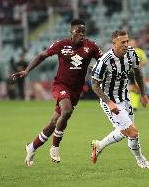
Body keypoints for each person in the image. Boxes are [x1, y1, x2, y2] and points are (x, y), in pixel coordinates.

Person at [12, 19, 103, 166]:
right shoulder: (61, 44)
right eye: (78, 31)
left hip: (75, 91)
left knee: (54, 122)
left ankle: (32, 147)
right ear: (71, 32)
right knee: (66, 111)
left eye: (83, 32)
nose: (81, 34)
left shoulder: (91, 46)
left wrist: (97, 68)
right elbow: (42, 56)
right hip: (60, 85)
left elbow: (103, 60)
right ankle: (55, 146)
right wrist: (27, 70)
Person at [91, 30, 149, 169]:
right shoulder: (104, 61)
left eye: (127, 41)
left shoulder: (132, 53)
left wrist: (143, 94)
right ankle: (141, 160)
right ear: (114, 43)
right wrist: (109, 102)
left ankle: (99, 145)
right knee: (133, 132)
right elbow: (94, 86)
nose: (126, 44)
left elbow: (137, 72)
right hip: (110, 101)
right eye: (122, 42)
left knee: (126, 132)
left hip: (126, 98)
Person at [128, 38, 148, 111]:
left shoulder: (140, 52)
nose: (132, 44)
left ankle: (134, 105)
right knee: (131, 88)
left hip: (137, 72)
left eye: (134, 43)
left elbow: (145, 61)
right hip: (128, 72)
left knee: (135, 88)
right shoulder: (125, 52)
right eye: (131, 43)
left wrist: (138, 65)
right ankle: (132, 105)